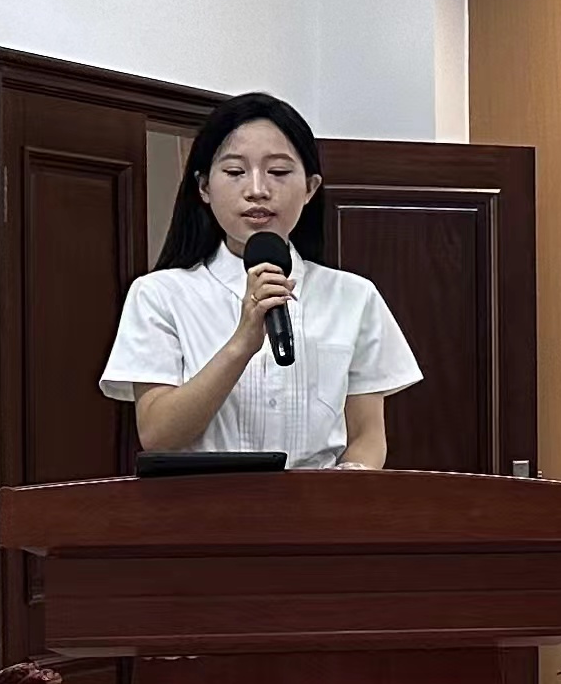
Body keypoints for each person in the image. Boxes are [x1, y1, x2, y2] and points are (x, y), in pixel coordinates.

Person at [99, 92, 421, 469]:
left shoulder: (354, 296)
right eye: (235, 172)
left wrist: (349, 484)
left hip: (318, 503)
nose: (257, 190)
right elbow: (158, 434)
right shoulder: (159, 294)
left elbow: (366, 434)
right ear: (204, 187)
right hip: (204, 504)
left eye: (279, 172)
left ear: (310, 187)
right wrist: (242, 344)